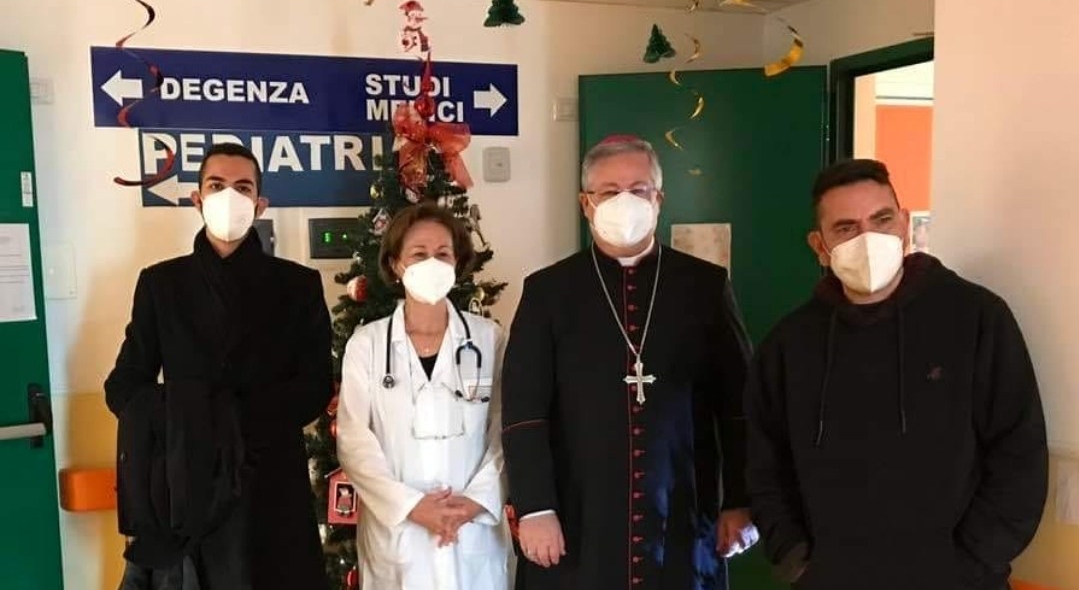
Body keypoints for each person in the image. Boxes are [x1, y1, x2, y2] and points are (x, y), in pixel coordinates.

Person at [745, 159, 1049, 590]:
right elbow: (765, 465)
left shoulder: (976, 318)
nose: (868, 238)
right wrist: (797, 559)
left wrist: (970, 562)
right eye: (846, 228)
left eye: (882, 219)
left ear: (905, 225)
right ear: (819, 245)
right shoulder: (788, 346)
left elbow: (1019, 454)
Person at [501, 135, 757, 590]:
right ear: (586, 204)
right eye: (609, 191)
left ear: (658, 199)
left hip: (682, 505)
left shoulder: (704, 286)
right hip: (577, 514)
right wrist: (535, 507)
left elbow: (739, 405)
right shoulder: (548, 293)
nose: (625, 201)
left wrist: (739, 499)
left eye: (639, 190)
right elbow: (524, 412)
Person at [105, 143, 333, 590]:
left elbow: (314, 384)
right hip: (186, 484)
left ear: (260, 204)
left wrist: (234, 421)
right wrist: (190, 418)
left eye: (243, 187)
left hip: (270, 480)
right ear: (198, 199)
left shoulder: (298, 285)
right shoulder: (161, 284)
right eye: (217, 185)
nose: (230, 196)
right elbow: (124, 384)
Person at [336, 203, 509, 590]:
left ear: (457, 262)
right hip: (400, 537)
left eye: (442, 254)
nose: (432, 263)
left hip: (472, 533)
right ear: (396, 264)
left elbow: (505, 430)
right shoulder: (367, 344)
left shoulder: (488, 339)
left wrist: (473, 503)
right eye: (418, 254)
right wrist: (412, 506)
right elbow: (354, 440)